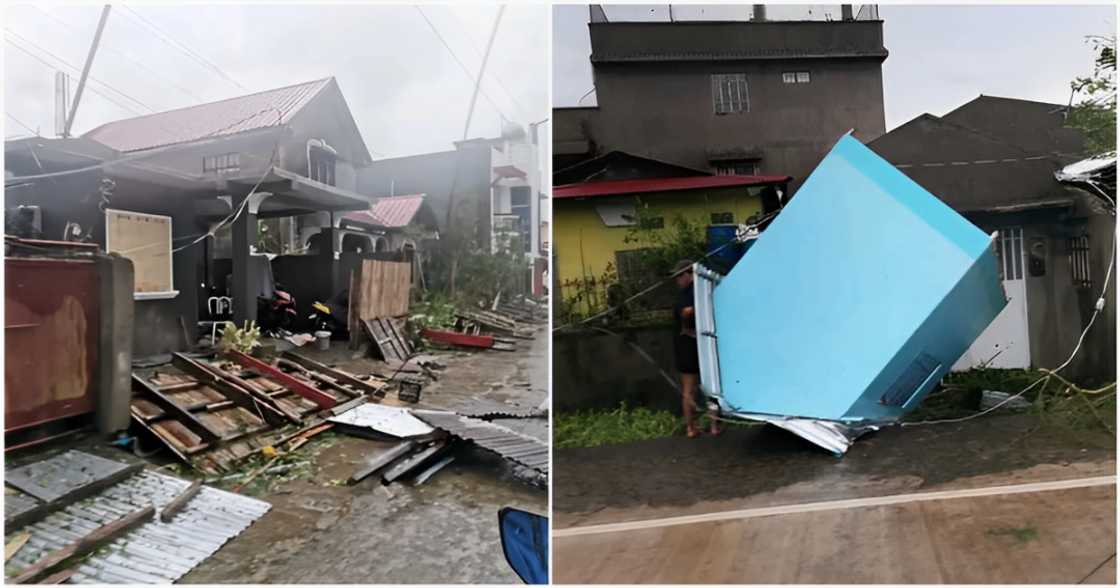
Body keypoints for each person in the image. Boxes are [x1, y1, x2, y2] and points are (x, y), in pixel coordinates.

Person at [670, 259, 721, 438]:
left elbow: (686, 312)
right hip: (696, 345)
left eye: (679, 276)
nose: (677, 280)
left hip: (689, 346)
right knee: (710, 385)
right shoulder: (703, 289)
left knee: (691, 388)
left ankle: (692, 428)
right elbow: (688, 311)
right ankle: (711, 426)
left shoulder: (690, 293)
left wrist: (687, 327)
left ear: (688, 274)